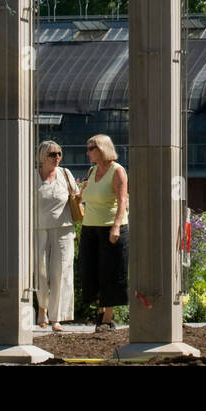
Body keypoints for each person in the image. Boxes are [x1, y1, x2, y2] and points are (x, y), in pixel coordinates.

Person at [79, 133, 128, 331]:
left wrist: (116, 226)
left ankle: (107, 318)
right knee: (89, 271)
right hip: (90, 227)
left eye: (91, 148)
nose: (87, 152)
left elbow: (123, 200)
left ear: (102, 149)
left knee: (110, 272)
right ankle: (100, 309)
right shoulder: (92, 171)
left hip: (111, 228)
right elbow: (86, 198)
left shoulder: (117, 171)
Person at [34, 140, 78, 331]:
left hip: (63, 229)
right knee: (40, 272)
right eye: (53, 154)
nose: (57, 157)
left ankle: (56, 317)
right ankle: (42, 309)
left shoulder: (65, 174)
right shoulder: (31, 176)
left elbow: (76, 196)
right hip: (38, 229)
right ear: (43, 156)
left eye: (59, 153)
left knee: (61, 273)